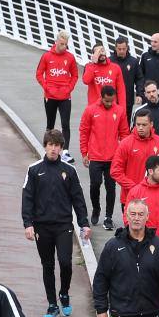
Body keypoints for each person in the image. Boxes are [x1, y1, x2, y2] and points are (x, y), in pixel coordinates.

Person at [21, 129, 91, 317]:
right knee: (47, 265)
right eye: (50, 145)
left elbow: (78, 199)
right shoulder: (34, 170)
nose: (53, 149)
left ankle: (64, 293)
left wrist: (84, 223)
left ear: (61, 148)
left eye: (57, 145)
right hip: (42, 227)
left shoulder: (69, 170)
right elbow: (27, 198)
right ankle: (52, 304)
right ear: (45, 146)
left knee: (65, 262)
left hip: (63, 225)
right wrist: (28, 224)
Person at [79, 85, 130, 231]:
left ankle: (108, 217)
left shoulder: (119, 110)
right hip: (95, 156)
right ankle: (96, 208)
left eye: (112, 101)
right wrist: (84, 153)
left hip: (113, 158)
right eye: (107, 101)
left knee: (111, 187)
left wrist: (123, 155)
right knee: (95, 185)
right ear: (101, 97)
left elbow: (124, 133)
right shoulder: (90, 110)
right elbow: (84, 132)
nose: (109, 104)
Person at [35, 30, 79, 164]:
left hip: (65, 96)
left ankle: (65, 151)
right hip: (50, 95)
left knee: (65, 123)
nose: (63, 47)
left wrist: (69, 88)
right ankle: (48, 149)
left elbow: (75, 75)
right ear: (56, 42)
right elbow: (39, 74)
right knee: (50, 124)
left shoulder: (70, 57)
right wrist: (47, 88)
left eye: (65, 44)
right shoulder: (47, 56)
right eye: (61, 44)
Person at [110, 109, 159, 208]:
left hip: (155, 197)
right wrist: (134, 187)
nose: (140, 128)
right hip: (131, 198)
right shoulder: (125, 143)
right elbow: (115, 171)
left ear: (151, 124)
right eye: (138, 124)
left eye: (144, 125)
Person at [110, 35, 144, 126]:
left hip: (127, 98)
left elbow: (139, 79)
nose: (121, 51)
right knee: (111, 123)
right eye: (119, 49)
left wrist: (139, 94)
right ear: (115, 48)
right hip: (111, 98)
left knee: (125, 123)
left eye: (124, 49)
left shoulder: (134, 62)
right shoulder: (109, 61)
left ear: (127, 48)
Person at [83, 42, 126, 108]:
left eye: (102, 50)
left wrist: (122, 109)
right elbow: (86, 81)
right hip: (95, 107)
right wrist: (93, 63)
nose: (101, 53)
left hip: (111, 106)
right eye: (98, 51)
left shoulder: (115, 67)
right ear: (94, 55)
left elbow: (121, 90)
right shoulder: (89, 67)